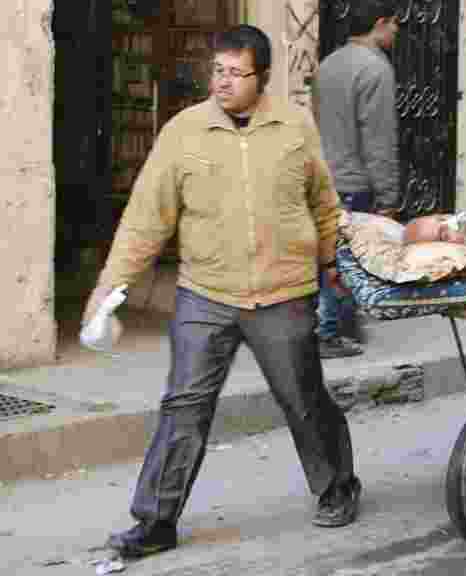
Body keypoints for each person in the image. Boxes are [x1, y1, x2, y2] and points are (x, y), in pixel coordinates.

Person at [82, 25, 362, 559]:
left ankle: (337, 485)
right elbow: (144, 220)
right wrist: (109, 286)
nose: (223, 82)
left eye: (236, 72)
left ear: (263, 77)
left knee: (303, 399)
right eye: (217, 71)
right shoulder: (184, 132)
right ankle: (156, 520)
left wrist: (333, 263)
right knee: (183, 406)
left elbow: (324, 204)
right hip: (205, 294)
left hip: (283, 292)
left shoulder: (294, 126)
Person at [315, 0, 401, 358]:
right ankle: (328, 332)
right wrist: (388, 198)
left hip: (323, 177)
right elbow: (378, 140)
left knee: (326, 256)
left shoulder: (327, 64)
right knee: (345, 259)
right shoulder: (375, 69)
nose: (396, 31)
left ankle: (338, 326)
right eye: (394, 24)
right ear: (380, 23)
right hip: (353, 182)